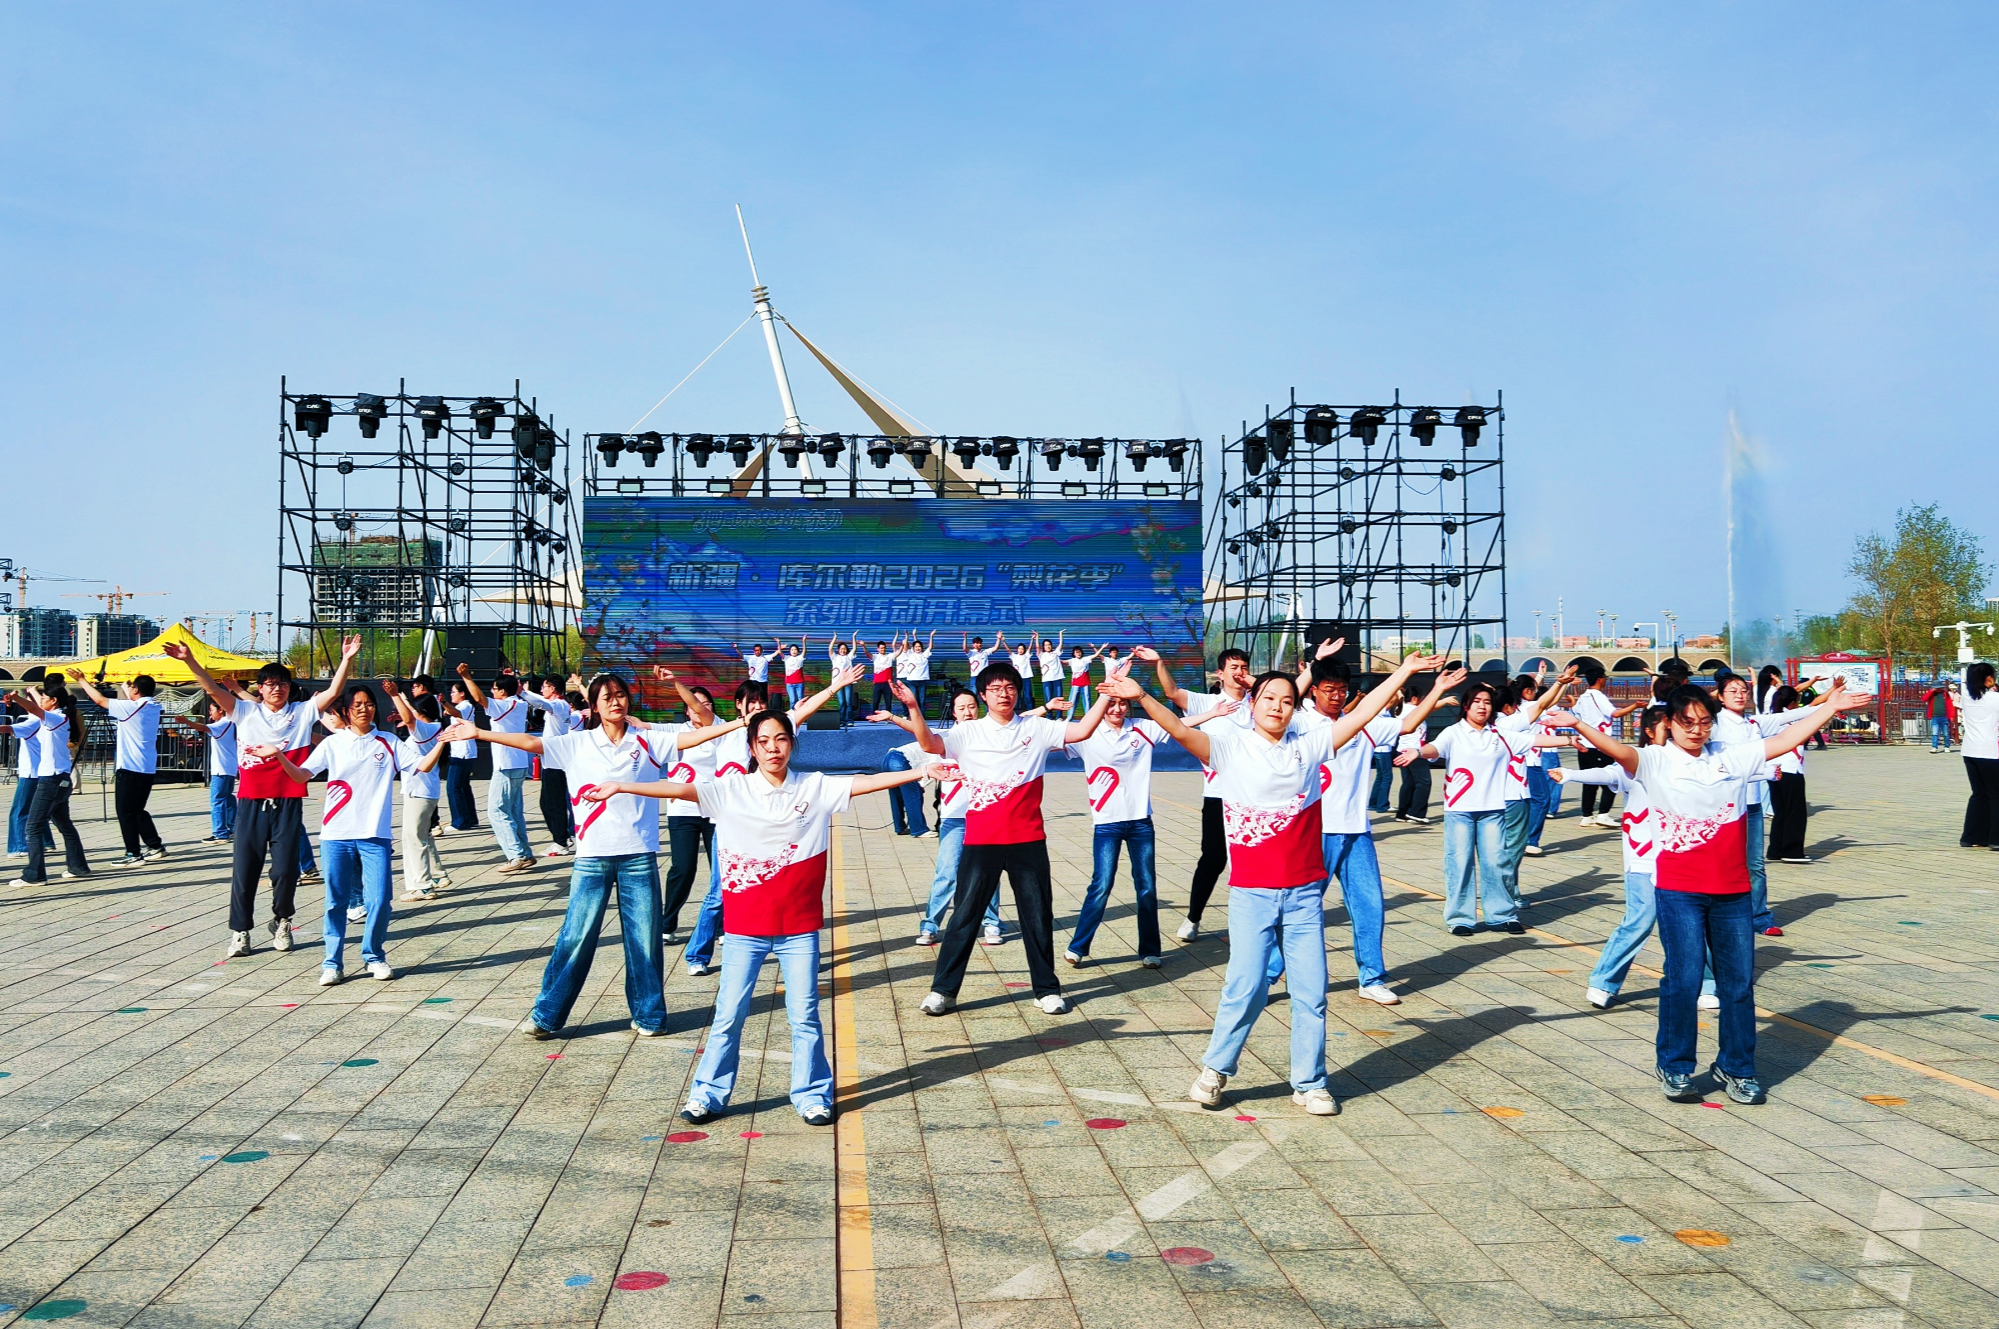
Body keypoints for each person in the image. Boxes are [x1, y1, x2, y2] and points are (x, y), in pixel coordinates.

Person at [1110, 652, 1444, 1115]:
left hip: (1306, 894)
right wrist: (1142, 695)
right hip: (1252, 893)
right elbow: (1181, 729)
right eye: (1268, 698)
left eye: (1287, 700)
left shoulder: (1309, 747)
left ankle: (1310, 1083)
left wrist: (1405, 672)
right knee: (1244, 987)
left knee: (1312, 992)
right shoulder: (1229, 748)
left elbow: (1366, 713)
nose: (1278, 706)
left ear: (1294, 708)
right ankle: (1216, 1069)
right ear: (1252, 704)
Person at [588, 708, 953, 1125]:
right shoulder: (731, 789)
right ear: (752, 748)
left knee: (805, 1017)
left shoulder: (813, 787)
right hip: (744, 928)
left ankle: (813, 1094)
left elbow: (866, 783)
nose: (772, 748)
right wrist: (620, 785)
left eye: (780, 738)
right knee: (728, 1016)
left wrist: (922, 772)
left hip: (798, 929)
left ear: (792, 743)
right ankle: (708, 1094)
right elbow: (680, 788)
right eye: (763, 741)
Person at [1566, 679, 1865, 1103]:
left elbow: (1785, 738)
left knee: (1737, 985)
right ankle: (1675, 1065)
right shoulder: (1655, 760)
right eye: (1687, 722)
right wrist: (1578, 722)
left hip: (1732, 891)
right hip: (1679, 889)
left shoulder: (1731, 757)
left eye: (1704, 722)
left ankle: (1736, 1067)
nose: (1696, 730)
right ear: (1669, 723)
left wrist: (1829, 708)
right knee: (1683, 980)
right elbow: (1618, 751)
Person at [443, 673, 746, 1037]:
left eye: (620, 696)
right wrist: (479, 733)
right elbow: (529, 742)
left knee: (644, 941)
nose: (615, 702)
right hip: (592, 857)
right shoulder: (578, 742)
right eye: (606, 698)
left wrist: (741, 723)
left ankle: (649, 1015)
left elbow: (694, 735)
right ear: (595, 705)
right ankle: (547, 1016)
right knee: (576, 937)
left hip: (638, 856)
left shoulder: (648, 741)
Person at [912, 657, 1116, 1017]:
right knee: (964, 917)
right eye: (994, 689)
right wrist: (913, 707)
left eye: (1009, 687)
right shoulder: (968, 732)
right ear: (983, 695)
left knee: (1037, 915)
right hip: (981, 840)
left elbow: (1082, 730)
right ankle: (943, 990)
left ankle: (1046, 989)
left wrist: (1107, 689)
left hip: (1027, 839)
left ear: (1018, 692)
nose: (1003, 694)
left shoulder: (1037, 728)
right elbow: (930, 744)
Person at [167, 636, 358, 956]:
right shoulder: (245, 711)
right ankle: (240, 932)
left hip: (287, 802)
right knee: (245, 870)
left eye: (281, 683)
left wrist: (347, 659)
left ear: (288, 687)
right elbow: (213, 689)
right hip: (251, 800)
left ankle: (282, 921)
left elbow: (334, 691)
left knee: (285, 871)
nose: (276, 688)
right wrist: (189, 661)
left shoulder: (301, 712)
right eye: (269, 684)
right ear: (260, 688)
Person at [681, 666, 867, 976]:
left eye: (760, 703)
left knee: (790, 882)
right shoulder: (723, 730)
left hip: (774, 822)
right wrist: (676, 683)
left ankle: (801, 951)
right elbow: (698, 708)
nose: (756, 708)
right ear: (739, 705)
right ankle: (698, 954)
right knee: (719, 893)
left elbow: (807, 708)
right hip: (734, 827)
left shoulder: (774, 730)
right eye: (750, 703)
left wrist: (836, 686)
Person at [253, 684, 439, 984]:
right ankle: (332, 962)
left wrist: (442, 741)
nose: (364, 709)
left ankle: (374, 956)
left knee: (379, 900)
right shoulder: (333, 744)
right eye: (357, 705)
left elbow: (422, 766)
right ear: (346, 711)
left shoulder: (388, 741)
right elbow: (302, 775)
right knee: (335, 902)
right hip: (336, 835)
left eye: (369, 704)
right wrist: (278, 756)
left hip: (374, 835)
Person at [1142, 644, 1255, 942]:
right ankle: (1193, 917)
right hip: (1218, 795)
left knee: (1251, 860)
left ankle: (1252, 923)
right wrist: (1159, 663)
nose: (1240, 673)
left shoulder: (1260, 704)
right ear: (1220, 673)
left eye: (1244, 667)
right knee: (1213, 859)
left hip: (1254, 798)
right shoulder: (1207, 702)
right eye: (1234, 668)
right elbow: (1173, 693)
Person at [878, 690, 1005, 946]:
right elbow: (918, 731)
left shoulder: (991, 737)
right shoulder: (945, 739)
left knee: (988, 872)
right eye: (962, 708)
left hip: (984, 817)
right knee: (946, 873)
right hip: (954, 819)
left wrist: (1046, 708)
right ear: (954, 713)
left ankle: (991, 924)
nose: (968, 712)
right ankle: (930, 926)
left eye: (972, 706)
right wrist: (894, 715)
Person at [1561, 705, 1667, 1009]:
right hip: (1645, 858)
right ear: (1649, 731)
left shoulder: (1688, 761)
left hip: (1683, 857)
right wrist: (1570, 773)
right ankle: (1604, 981)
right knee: (1641, 919)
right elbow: (1607, 771)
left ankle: (1708, 983)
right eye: (1667, 726)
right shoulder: (1638, 761)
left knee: (1697, 922)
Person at [1712, 672, 1824, 936]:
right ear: (1720, 696)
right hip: (1722, 807)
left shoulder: (1755, 723)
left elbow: (1794, 716)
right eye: (1733, 691)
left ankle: (1759, 917)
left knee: (1755, 865)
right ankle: (1722, 914)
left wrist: (1831, 704)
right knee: (1722, 863)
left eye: (1743, 690)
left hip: (1751, 807)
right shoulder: (1713, 723)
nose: (1740, 695)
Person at [1415, 680, 1521, 936]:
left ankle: (1501, 915)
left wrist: (1571, 736)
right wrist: (1417, 753)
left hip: (1492, 809)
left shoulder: (1500, 735)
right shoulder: (1454, 732)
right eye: (1476, 702)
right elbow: (1435, 749)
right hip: (1459, 810)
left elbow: (1534, 739)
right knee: (1460, 862)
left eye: (1486, 702)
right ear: (1465, 706)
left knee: (1497, 862)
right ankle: (1460, 918)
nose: (1482, 707)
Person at [651, 668, 722, 945]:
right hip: (683, 811)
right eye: (695, 704)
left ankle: (723, 927)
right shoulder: (674, 732)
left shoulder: (719, 728)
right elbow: (641, 726)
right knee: (682, 869)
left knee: (721, 872)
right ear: (686, 710)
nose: (700, 708)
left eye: (706, 704)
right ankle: (667, 924)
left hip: (715, 810)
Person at [69, 671, 166, 865]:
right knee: (137, 810)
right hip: (146, 766)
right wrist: (124, 687)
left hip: (130, 766)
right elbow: (128, 700)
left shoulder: (132, 707)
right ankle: (155, 846)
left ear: (136, 690)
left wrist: (82, 680)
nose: (129, 689)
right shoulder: (152, 706)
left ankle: (133, 853)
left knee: (125, 812)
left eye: (131, 687)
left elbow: (100, 700)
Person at [5, 680, 90, 888]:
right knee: (65, 825)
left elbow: (35, 708)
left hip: (50, 780)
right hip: (60, 779)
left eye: (44, 697)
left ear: (53, 701)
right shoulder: (59, 717)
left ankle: (34, 875)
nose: (41, 700)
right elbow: (36, 705)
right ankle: (77, 866)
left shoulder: (55, 717)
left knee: (33, 827)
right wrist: (31, 693)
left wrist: (16, 698)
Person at [455, 666, 536, 873]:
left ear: (503, 692)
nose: (492, 692)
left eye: (495, 688)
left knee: (497, 810)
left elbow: (480, 699)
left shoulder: (507, 704)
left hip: (507, 764)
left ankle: (516, 854)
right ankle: (524, 853)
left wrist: (466, 676)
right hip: (516, 762)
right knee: (513, 810)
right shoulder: (518, 703)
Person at [380, 681, 451, 900]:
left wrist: (394, 695)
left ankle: (422, 885)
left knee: (413, 838)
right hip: (425, 790)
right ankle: (438, 875)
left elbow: (411, 718)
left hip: (419, 791)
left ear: (423, 713)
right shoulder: (433, 728)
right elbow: (410, 716)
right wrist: (403, 707)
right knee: (423, 835)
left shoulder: (425, 729)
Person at [1571, 670, 1642, 826]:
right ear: (1599, 679)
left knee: (1589, 781)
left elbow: (1575, 711)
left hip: (1585, 743)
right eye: (1605, 678)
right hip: (1600, 745)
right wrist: (1635, 706)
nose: (1606, 680)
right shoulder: (1598, 696)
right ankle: (1603, 814)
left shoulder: (1583, 697)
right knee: (1612, 779)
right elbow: (1615, 714)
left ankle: (1587, 815)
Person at [522, 676, 579, 856]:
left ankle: (561, 842)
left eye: (544, 687)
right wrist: (525, 692)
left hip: (556, 762)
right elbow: (542, 701)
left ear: (553, 688)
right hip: (550, 761)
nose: (542, 690)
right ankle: (562, 837)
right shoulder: (555, 705)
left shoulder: (561, 705)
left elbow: (543, 704)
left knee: (554, 803)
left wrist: (522, 693)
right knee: (546, 803)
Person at [1762, 686, 1815, 864]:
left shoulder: (1771, 718)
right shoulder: (1793, 720)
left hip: (1774, 770)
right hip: (1790, 770)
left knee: (1781, 812)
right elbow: (1816, 705)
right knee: (1795, 812)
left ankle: (1775, 849)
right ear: (1792, 703)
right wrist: (1834, 692)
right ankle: (1792, 851)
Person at [3, 694, 54, 859]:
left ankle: (19, 846)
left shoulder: (33, 721)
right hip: (39, 770)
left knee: (19, 810)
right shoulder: (46, 720)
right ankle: (46, 841)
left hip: (30, 772)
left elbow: (7, 729)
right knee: (37, 808)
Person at [185, 700, 239, 842]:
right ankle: (233, 828)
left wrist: (187, 721)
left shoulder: (222, 724)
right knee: (228, 797)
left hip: (221, 768)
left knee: (217, 799)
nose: (210, 713)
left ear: (220, 709)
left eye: (211, 710)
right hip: (230, 767)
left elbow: (203, 727)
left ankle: (220, 833)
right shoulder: (232, 722)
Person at [1960, 662, 1999, 849]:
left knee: (1978, 794)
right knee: (1995, 795)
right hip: (1991, 752)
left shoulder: (1966, 697)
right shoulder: (1995, 699)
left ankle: (1971, 836)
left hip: (1970, 751)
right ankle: (1995, 839)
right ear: (1988, 678)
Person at [1391, 686, 1435, 823]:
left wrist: (1399, 691)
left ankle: (1402, 813)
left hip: (1403, 750)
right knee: (1424, 782)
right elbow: (1431, 706)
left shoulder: (1401, 709)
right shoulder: (1413, 710)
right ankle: (1417, 813)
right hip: (1413, 752)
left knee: (1409, 783)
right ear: (1415, 698)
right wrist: (1444, 700)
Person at [444, 679, 480, 831]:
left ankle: (459, 821)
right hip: (463, 751)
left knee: (453, 786)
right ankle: (470, 818)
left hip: (462, 752)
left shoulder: (466, 705)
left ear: (462, 693)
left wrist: (444, 703)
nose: (451, 694)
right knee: (463, 786)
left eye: (454, 692)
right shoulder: (462, 706)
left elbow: (457, 713)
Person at [897, 629, 936, 719]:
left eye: (919, 647)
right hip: (912, 681)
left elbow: (930, 647)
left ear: (921, 648)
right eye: (916, 647)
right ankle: (913, 717)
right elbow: (907, 646)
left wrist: (931, 636)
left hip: (922, 681)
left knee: (922, 701)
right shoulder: (910, 654)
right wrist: (907, 636)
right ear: (913, 648)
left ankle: (921, 718)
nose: (918, 648)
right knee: (914, 700)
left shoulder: (924, 655)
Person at [1064, 643, 1105, 711]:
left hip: (1085, 682)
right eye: (1076, 652)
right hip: (1075, 683)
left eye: (1079, 651)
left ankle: (1088, 716)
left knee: (1087, 699)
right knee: (1072, 700)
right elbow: (1062, 662)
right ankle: (1069, 717)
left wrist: (1102, 647)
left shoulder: (1085, 659)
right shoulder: (1072, 661)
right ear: (1074, 653)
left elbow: (1096, 655)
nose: (1078, 653)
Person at [828, 633, 859, 725]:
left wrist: (853, 637)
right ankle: (841, 720)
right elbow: (830, 649)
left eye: (844, 649)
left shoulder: (848, 657)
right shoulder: (835, 657)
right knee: (841, 703)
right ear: (838, 650)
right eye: (841, 649)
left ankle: (849, 720)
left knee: (848, 702)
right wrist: (834, 638)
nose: (843, 650)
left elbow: (854, 648)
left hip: (848, 682)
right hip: (838, 683)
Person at [1922, 680, 1958, 753]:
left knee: (1946, 733)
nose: (1938, 689)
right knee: (1935, 733)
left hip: (1944, 716)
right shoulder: (1932, 694)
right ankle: (1934, 747)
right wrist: (1931, 691)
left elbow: (1950, 705)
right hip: (1935, 716)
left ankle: (1947, 746)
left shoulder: (1945, 694)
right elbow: (1924, 699)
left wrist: (1951, 716)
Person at [1035, 633, 1066, 710]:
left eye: (1049, 644)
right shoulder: (1041, 655)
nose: (1048, 646)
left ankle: (1059, 717)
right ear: (1043, 647)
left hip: (1057, 678)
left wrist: (1060, 634)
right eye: (1045, 645)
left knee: (1059, 698)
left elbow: (1060, 644)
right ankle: (1049, 717)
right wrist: (1037, 637)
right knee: (1048, 699)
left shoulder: (1055, 653)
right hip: (1047, 679)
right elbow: (1037, 647)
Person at [870, 638, 899, 716]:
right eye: (881, 648)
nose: (883, 649)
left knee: (888, 701)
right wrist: (863, 647)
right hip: (878, 683)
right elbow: (867, 654)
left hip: (887, 683)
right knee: (876, 701)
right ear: (878, 649)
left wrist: (902, 646)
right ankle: (874, 716)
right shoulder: (875, 657)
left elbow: (898, 653)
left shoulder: (889, 656)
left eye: (884, 648)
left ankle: (888, 717)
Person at [779, 637, 810, 708]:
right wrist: (779, 643)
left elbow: (804, 651)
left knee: (800, 700)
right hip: (790, 684)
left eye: (795, 649)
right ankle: (792, 717)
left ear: (797, 651)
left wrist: (804, 641)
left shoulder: (800, 658)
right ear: (790, 651)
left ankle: (802, 717)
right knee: (792, 700)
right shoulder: (786, 658)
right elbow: (780, 652)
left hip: (799, 683)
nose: (794, 651)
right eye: (792, 650)